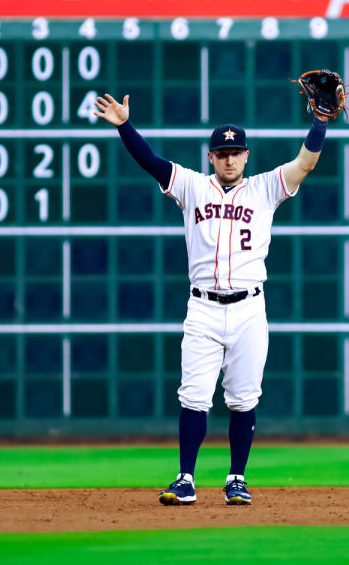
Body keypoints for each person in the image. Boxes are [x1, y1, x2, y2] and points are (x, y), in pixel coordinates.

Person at [91, 94, 333, 507]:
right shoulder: (191, 185)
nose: (229, 160)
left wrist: (321, 123)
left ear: (246, 156)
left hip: (249, 309)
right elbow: (150, 161)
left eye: (235, 152)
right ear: (211, 156)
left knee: (243, 398)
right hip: (202, 307)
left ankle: (236, 478)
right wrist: (123, 126)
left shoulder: (265, 188)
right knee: (194, 396)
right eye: (222, 153)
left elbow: (305, 163)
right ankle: (186, 478)